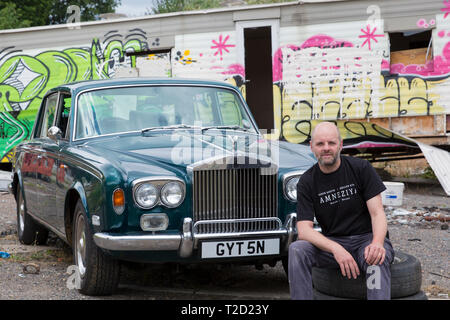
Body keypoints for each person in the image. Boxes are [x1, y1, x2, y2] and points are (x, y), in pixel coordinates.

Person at [288, 121, 394, 300]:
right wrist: (336, 248)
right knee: (297, 250)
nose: (326, 148)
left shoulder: (361, 169)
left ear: (341, 145)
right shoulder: (307, 181)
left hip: (366, 240)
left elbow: (377, 214)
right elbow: (304, 231)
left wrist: (377, 243)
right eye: (320, 144)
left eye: (331, 143)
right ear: (312, 147)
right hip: (332, 244)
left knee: (376, 261)